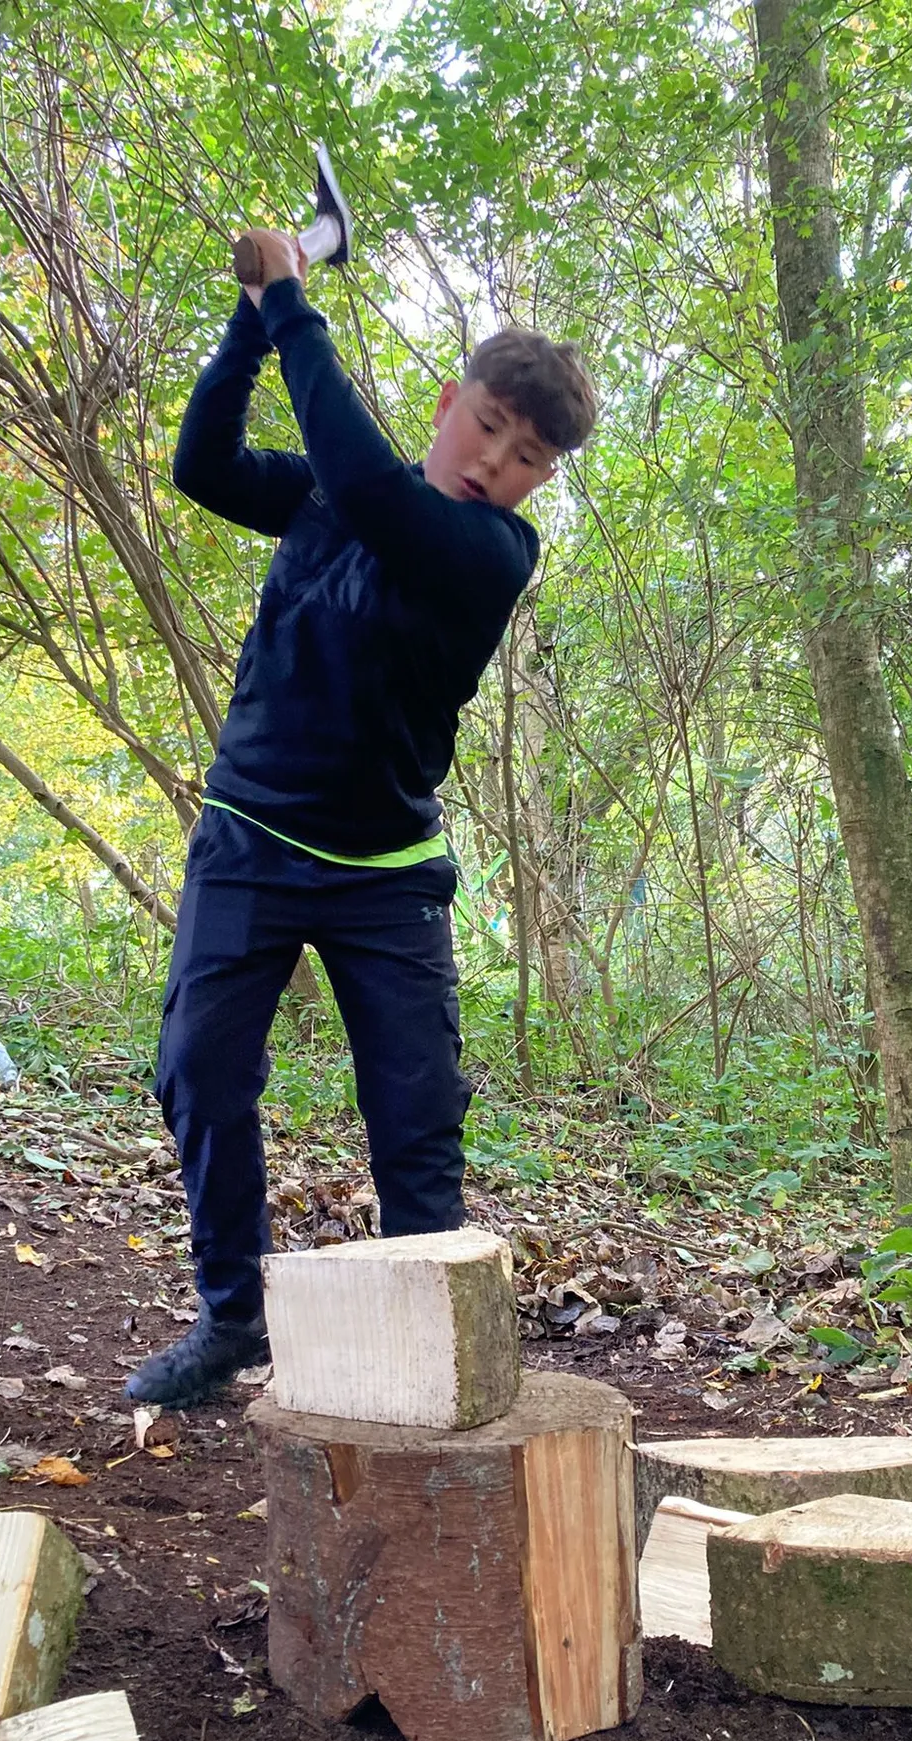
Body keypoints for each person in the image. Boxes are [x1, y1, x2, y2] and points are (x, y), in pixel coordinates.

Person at [123, 226, 596, 1409]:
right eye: (488, 426)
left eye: (528, 456)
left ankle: (431, 1350)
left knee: (416, 1115)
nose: (495, 462)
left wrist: (292, 299)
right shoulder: (330, 495)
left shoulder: (491, 551)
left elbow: (380, 493)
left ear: (540, 481)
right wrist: (249, 321)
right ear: (449, 405)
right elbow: (203, 465)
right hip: (251, 836)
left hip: (387, 870)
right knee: (199, 1069)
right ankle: (234, 1318)